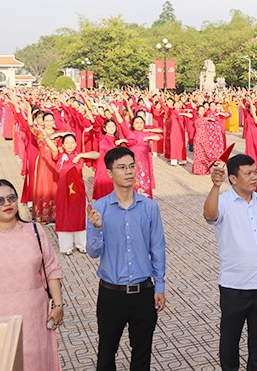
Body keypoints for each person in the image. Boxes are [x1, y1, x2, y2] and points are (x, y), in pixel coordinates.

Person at [204, 153, 257, 371]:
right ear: (233, 178)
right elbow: (210, 215)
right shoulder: (223, 202)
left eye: (255, 172)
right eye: (248, 173)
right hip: (235, 286)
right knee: (230, 339)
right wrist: (215, 187)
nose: (254, 177)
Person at [86, 147, 167, 371]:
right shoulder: (99, 208)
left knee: (142, 352)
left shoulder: (149, 207)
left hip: (144, 291)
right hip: (111, 293)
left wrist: (160, 285)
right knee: (106, 352)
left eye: (132, 166)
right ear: (110, 173)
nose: (129, 171)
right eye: (122, 167)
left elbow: (158, 248)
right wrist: (97, 228)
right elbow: (93, 252)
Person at [0, 179, 64, 371]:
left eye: (11, 198)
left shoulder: (35, 230)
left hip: (34, 317)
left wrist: (58, 305)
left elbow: (51, 268)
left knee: (36, 364)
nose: (7, 204)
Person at [55, 133, 99, 255]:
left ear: (76, 144)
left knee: (80, 217)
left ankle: (81, 244)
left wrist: (80, 155)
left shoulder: (79, 156)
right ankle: (66, 246)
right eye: (67, 143)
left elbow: (97, 155)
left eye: (72, 142)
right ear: (63, 145)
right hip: (64, 193)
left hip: (78, 192)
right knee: (65, 217)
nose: (69, 145)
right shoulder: (59, 156)